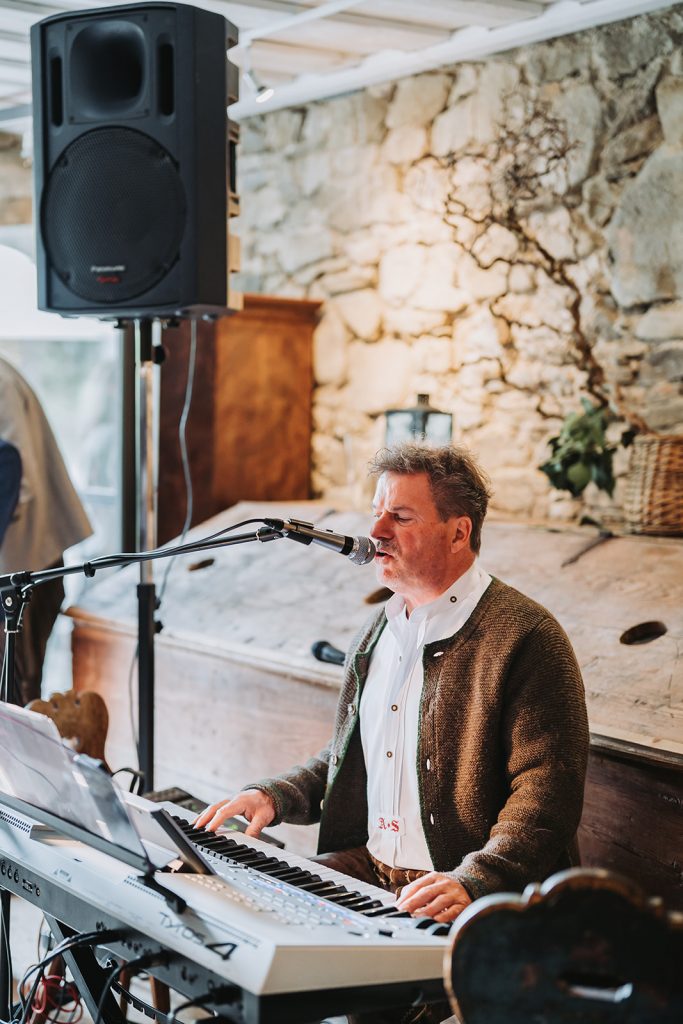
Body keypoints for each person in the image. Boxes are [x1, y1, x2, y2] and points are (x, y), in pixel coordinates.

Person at [196, 442, 589, 1022]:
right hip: (372, 871)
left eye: (400, 516)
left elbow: (547, 791)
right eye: (377, 512)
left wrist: (477, 879)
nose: (375, 530)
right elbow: (349, 753)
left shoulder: (527, 637)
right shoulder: (380, 627)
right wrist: (272, 797)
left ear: (459, 533)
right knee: (242, 925)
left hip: (468, 889)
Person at [0, 356, 92, 705]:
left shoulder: (0, 383)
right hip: (19, 562)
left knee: (17, 698)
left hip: (26, 565)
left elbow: (16, 478)